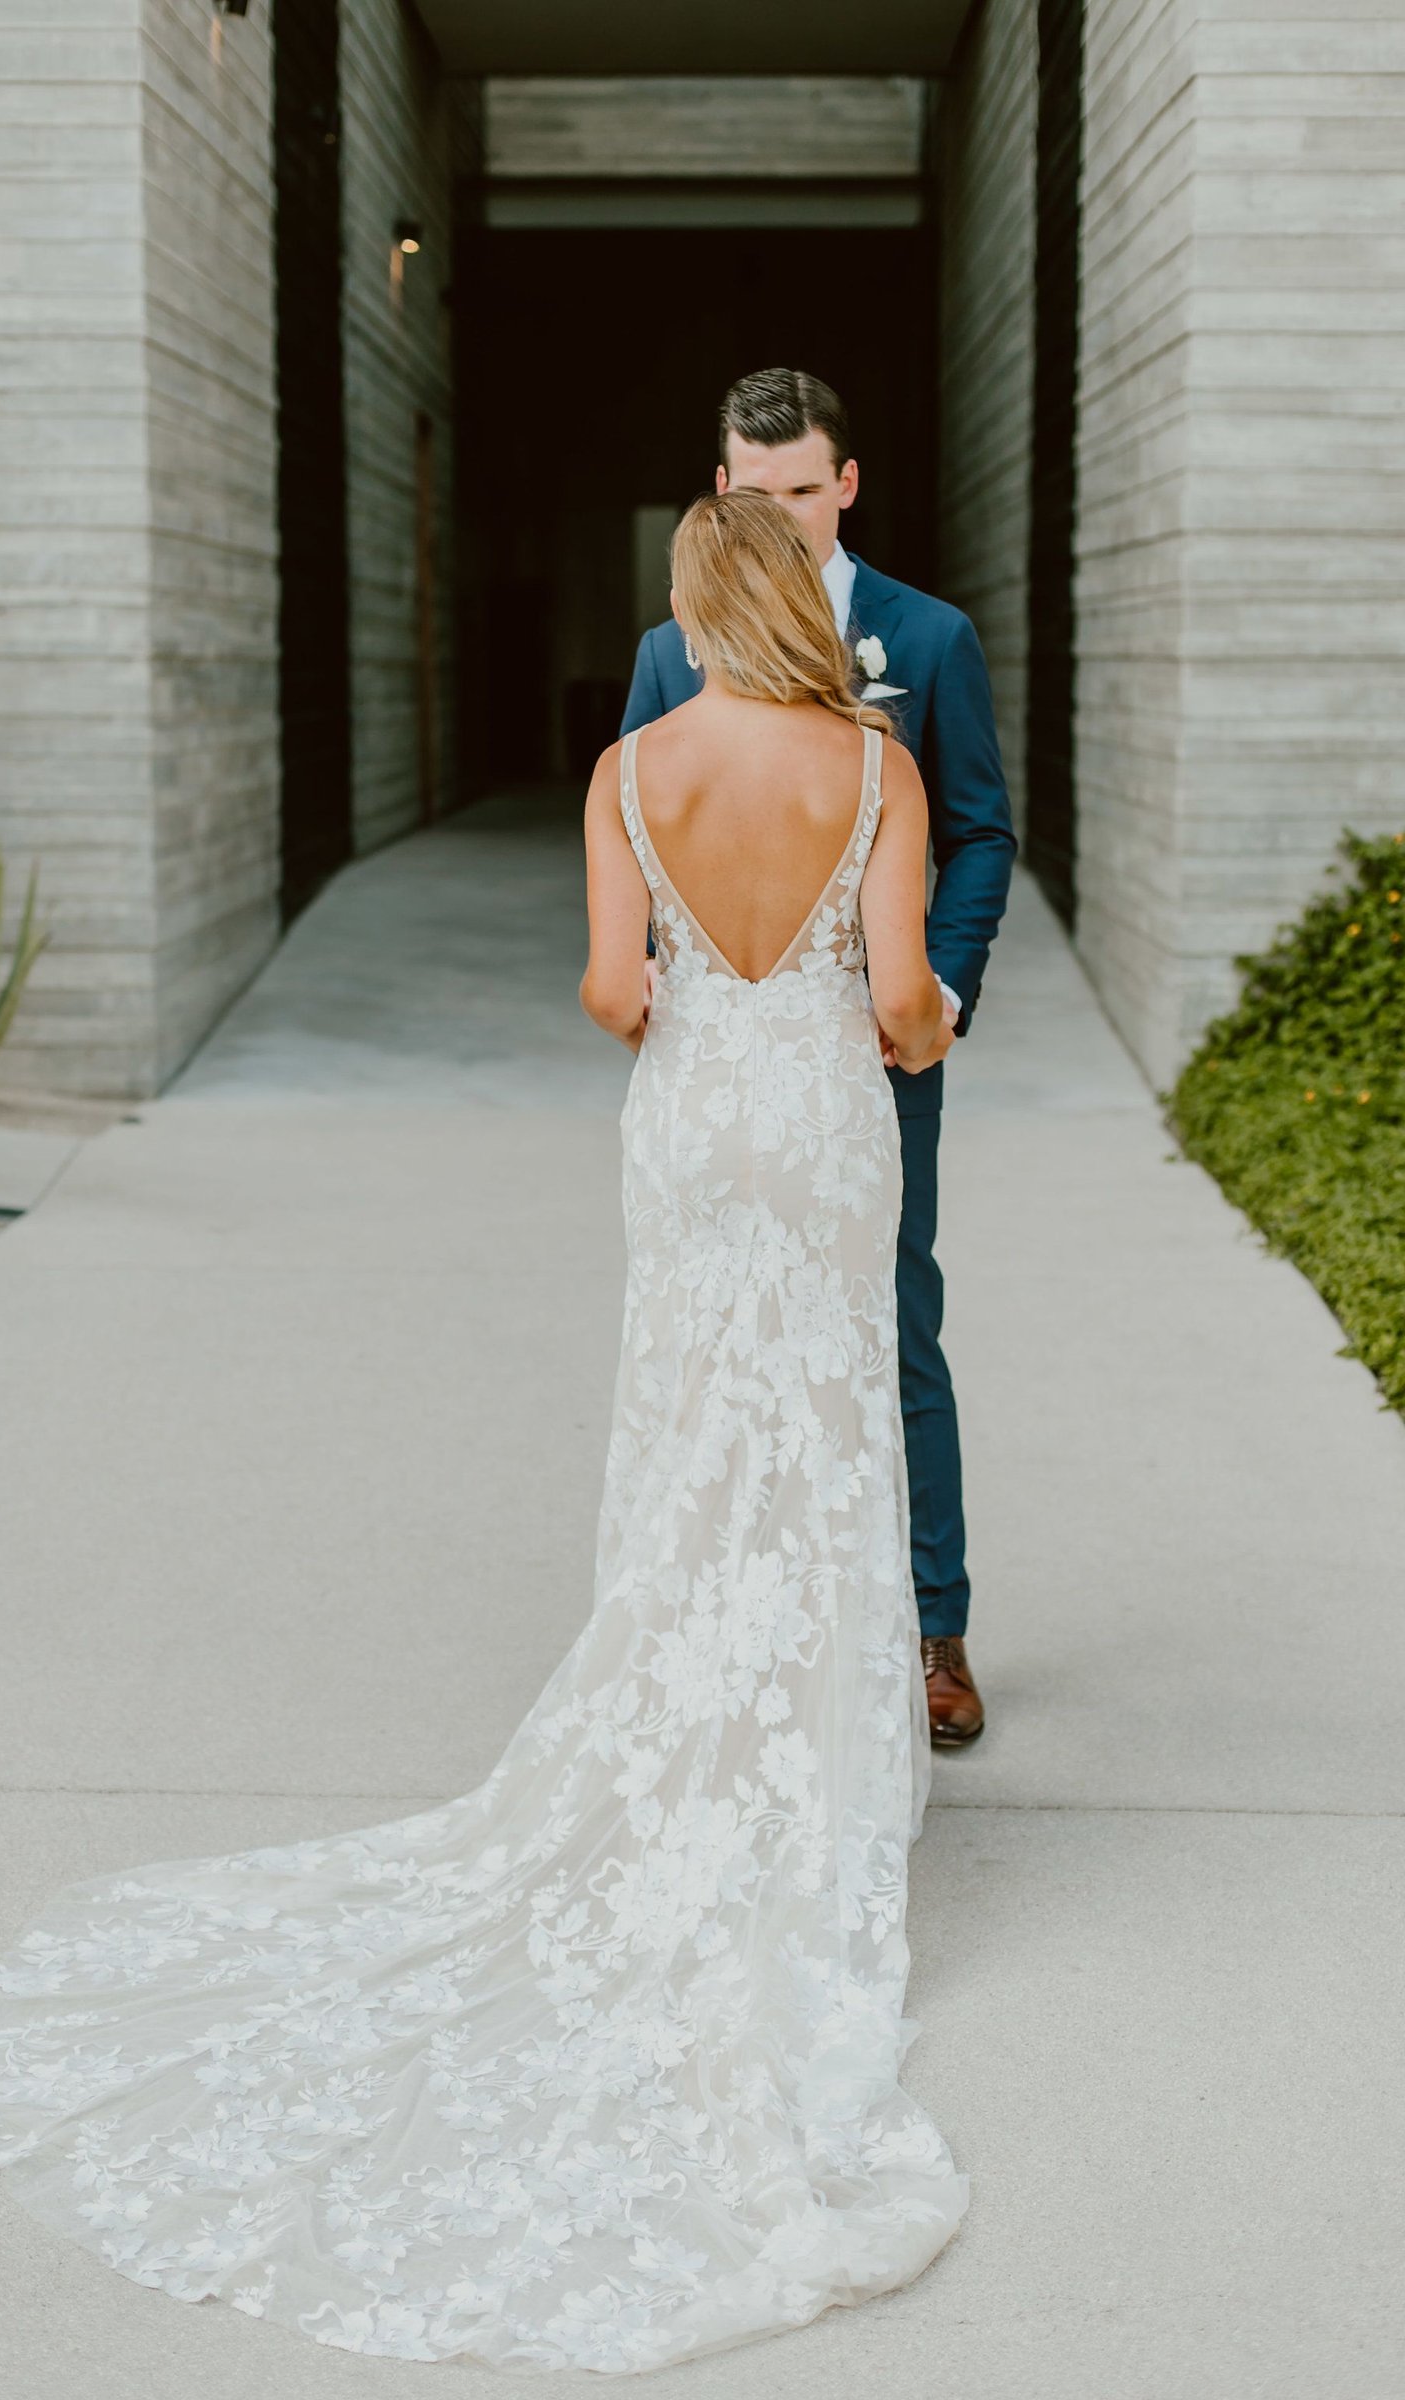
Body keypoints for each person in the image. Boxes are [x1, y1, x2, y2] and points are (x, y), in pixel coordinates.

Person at [0, 489, 968, 2374]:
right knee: (826, 1442)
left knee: (691, 1434)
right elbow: (902, 997)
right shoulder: (878, 768)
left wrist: (690, 1006)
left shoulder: (625, 769)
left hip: (692, 1128)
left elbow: (610, 990)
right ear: (803, 601)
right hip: (821, 1130)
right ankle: (809, 1776)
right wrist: (915, 1028)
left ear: (691, 599)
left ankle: (673, 1727)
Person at [624, 369, 1016, 1747]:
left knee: (891, 1319)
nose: (782, 516)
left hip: (881, 1046)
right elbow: (641, 830)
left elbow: (978, 829)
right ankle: (743, 1626)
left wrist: (941, 994)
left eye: (807, 488)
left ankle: (931, 1629)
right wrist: (676, 977)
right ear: (720, 487)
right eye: (756, 489)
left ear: (845, 484)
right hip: (732, 1056)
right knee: (717, 1335)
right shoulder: (670, 649)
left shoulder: (929, 636)